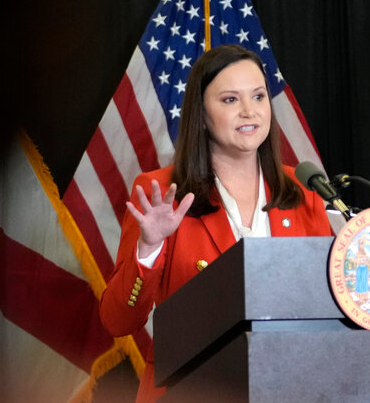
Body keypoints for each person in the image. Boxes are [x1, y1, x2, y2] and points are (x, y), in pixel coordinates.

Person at [99, 45, 333, 402]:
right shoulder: (161, 192)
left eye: (258, 96)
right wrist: (149, 248)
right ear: (202, 114)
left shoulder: (303, 191)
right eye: (230, 99)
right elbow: (118, 321)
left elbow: (324, 308)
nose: (249, 110)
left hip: (290, 387)